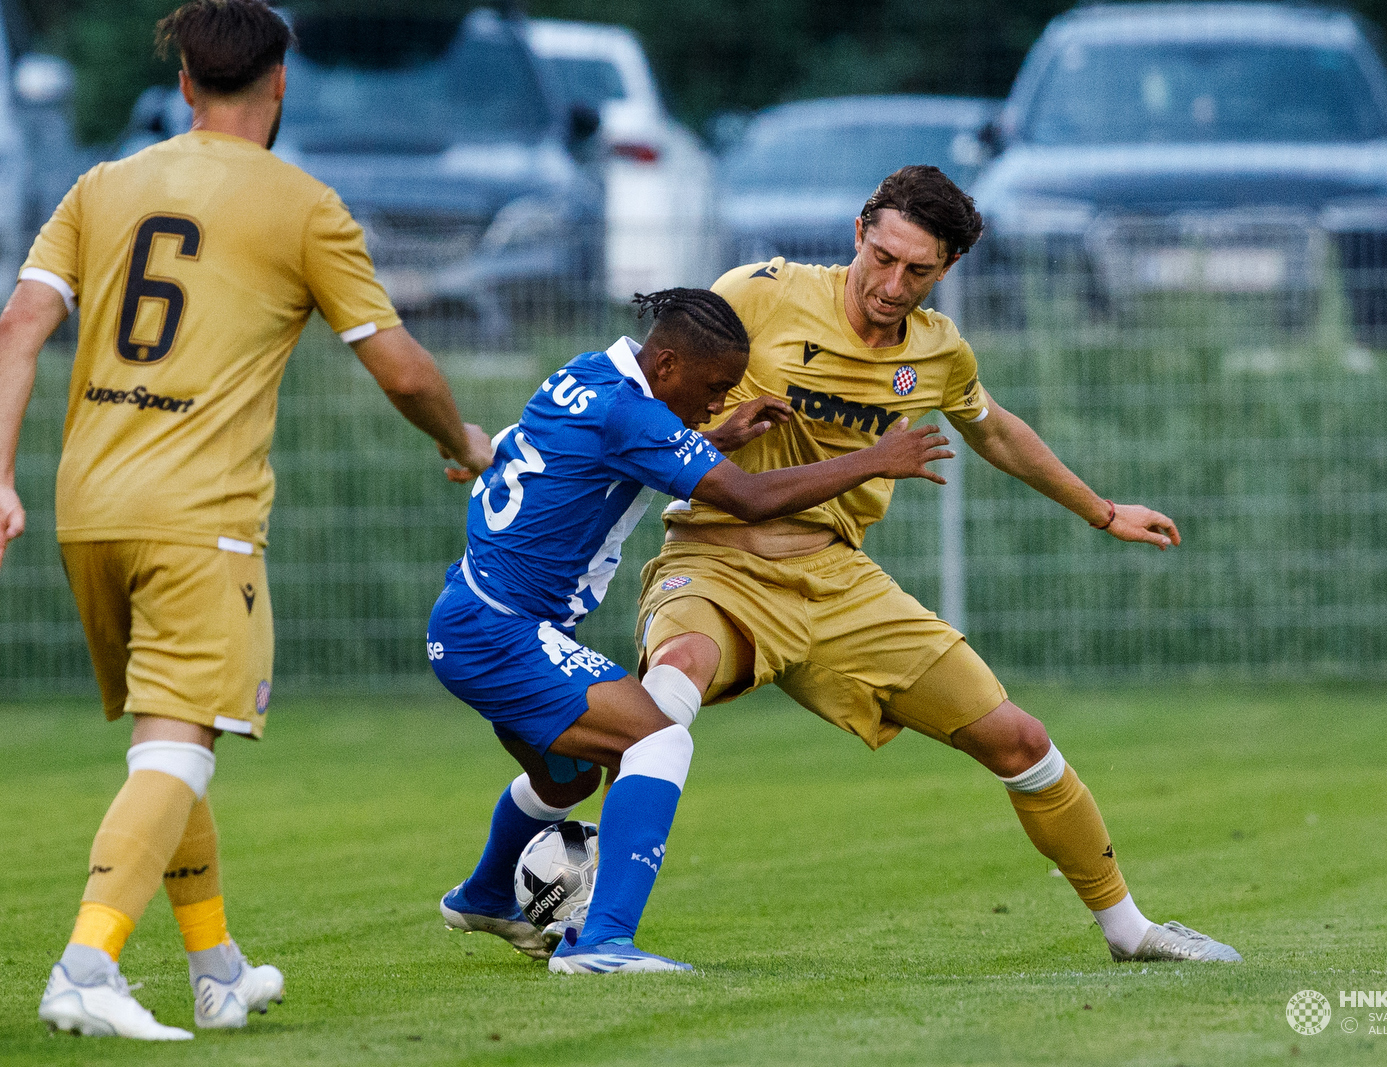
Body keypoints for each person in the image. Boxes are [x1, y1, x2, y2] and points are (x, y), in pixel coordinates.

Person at [0, 0, 494, 1039]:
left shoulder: (100, 185)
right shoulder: (303, 204)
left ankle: (218, 969)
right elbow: (400, 365)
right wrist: (463, 441)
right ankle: (87, 963)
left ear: (184, 85)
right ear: (281, 85)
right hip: (198, 518)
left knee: (167, 740)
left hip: (87, 507)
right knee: (179, 743)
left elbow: (20, 324)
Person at [633, 166, 1242, 964]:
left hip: (837, 580)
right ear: (858, 232)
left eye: (917, 270)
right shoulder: (760, 292)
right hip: (716, 561)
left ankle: (1132, 931)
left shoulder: (938, 350)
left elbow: (994, 430)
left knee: (1020, 740)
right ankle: (577, 890)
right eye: (882, 257)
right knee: (666, 687)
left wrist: (1101, 509)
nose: (892, 284)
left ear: (946, 268)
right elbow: (639, 409)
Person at [428, 288, 951, 974]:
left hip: (470, 613)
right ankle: (603, 943)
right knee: (657, 736)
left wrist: (719, 437)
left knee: (570, 776)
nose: (715, 404)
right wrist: (874, 459)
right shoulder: (633, 414)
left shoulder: (590, 374)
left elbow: (604, 451)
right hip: (501, 631)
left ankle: (486, 894)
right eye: (713, 388)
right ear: (668, 364)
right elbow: (750, 497)